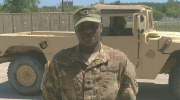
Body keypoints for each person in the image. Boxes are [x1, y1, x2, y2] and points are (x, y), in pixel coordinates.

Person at [41, 6, 138, 100]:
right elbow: (49, 95)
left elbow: (128, 96)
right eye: (82, 27)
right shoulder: (60, 61)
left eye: (92, 26)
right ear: (75, 30)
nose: (87, 31)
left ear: (101, 27)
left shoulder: (119, 60)